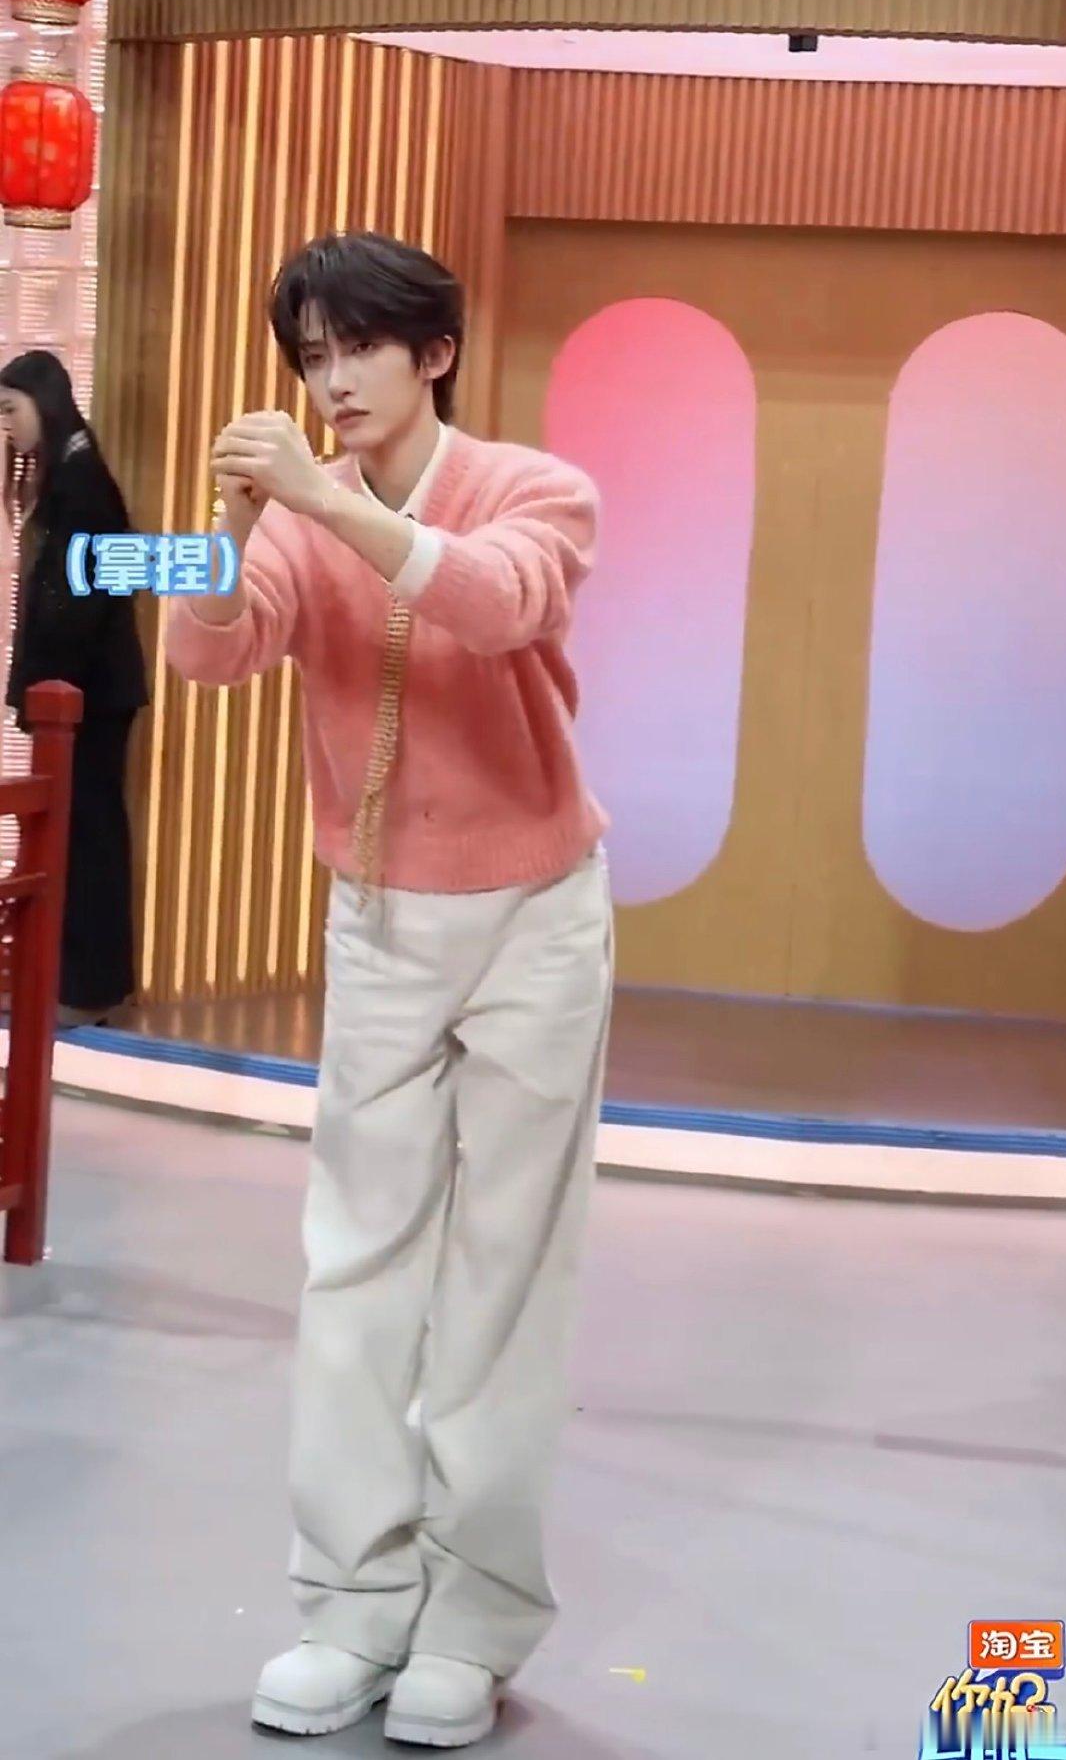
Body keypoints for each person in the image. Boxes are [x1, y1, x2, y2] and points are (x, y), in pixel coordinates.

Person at [165, 231, 612, 1749]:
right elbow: (208, 653)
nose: (332, 379)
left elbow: (496, 604)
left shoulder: (539, 489)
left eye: (357, 345)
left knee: (505, 1272)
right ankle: (350, 1606)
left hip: (537, 914)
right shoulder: (299, 518)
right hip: (375, 918)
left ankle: (472, 1619)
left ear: (435, 352)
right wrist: (229, 529)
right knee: (356, 1264)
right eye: (311, 354)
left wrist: (325, 501)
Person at [0, 350, 148, 1026]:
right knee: (79, 834)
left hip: (87, 696)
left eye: (11, 410)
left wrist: (45, 686)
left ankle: (88, 989)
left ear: (45, 401)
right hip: (82, 693)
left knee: (88, 838)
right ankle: (71, 981)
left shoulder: (82, 480)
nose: (7, 426)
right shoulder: (71, 471)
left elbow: (79, 601)